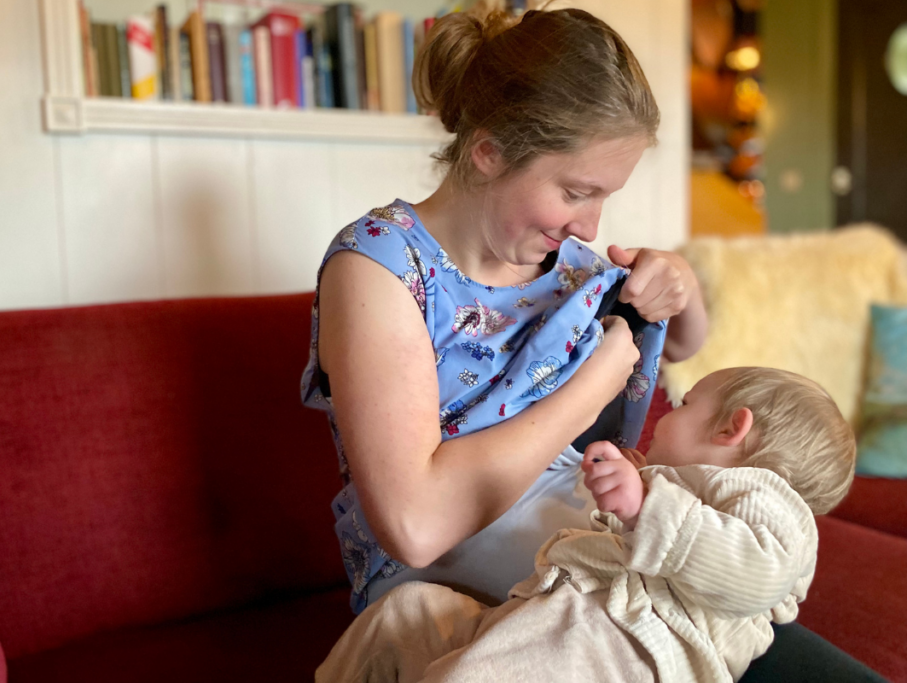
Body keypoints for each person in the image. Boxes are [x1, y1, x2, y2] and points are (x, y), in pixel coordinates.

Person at [301, 5, 707, 616]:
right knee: (677, 607)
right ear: (489, 152)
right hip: (440, 579)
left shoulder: (567, 268)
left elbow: (679, 345)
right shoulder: (380, 266)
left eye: (605, 198)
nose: (591, 226)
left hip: (565, 526)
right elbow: (414, 527)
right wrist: (590, 391)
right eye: (575, 192)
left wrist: (682, 285)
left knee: (728, 582)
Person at [315, 367, 857, 683]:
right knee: (402, 618)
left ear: (731, 429)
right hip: (550, 620)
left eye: (686, 404)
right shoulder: (682, 494)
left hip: (628, 652)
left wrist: (647, 506)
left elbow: (759, 574)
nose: (667, 413)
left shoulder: (770, 503)